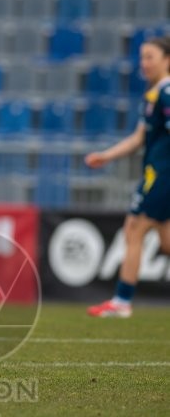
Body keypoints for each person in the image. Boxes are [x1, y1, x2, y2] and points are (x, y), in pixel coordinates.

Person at [85, 35, 170, 318]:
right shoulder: (153, 95)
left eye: (150, 57)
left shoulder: (167, 92)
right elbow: (138, 138)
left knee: (135, 227)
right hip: (157, 173)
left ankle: (122, 301)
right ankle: (121, 302)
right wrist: (106, 156)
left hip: (163, 175)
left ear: (167, 60)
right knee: (166, 241)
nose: (144, 63)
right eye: (142, 57)